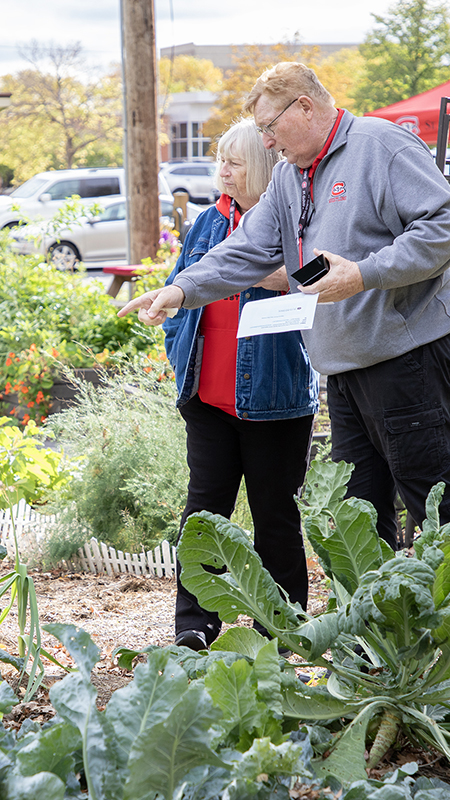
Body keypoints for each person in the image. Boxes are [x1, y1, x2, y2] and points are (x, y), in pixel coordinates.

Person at [119, 62, 450, 553]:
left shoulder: (380, 145)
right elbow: (247, 249)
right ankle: (388, 631)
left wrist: (363, 274)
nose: (267, 142)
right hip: (342, 372)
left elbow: (441, 227)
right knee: (361, 521)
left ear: (305, 107)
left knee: (435, 510)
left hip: (406, 364)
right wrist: (181, 290)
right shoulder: (291, 176)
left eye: (270, 128)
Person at [161, 118, 318, 652]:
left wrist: (252, 271)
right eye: (219, 160)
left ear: (266, 166)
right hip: (208, 400)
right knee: (204, 514)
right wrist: (179, 352)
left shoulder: (297, 223)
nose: (222, 171)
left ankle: (280, 629)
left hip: (276, 403)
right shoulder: (207, 222)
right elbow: (176, 294)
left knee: (276, 516)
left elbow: (319, 285)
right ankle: (194, 625)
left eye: (235, 161)